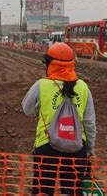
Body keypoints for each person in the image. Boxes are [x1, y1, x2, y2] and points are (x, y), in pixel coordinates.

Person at [22, 42, 96, 195]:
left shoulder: (41, 85)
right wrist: (89, 149)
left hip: (46, 147)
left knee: (43, 191)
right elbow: (89, 123)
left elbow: (27, 110)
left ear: (50, 65)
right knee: (73, 192)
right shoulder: (83, 87)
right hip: (77, 148)